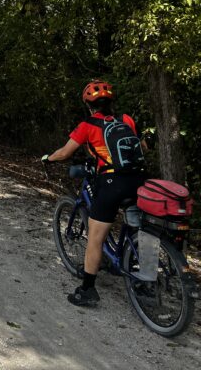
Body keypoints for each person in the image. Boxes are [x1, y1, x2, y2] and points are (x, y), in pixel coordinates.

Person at [42, 79, 147, 307]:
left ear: (89, 105)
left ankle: (87, 290)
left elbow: (65, 152)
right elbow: (142, 147)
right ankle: (142, 276)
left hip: (111, 182)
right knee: (138, 226)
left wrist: (48, 159)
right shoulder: (126, 120)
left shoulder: (88, 125)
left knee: (95, 237)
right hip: (139, 181)